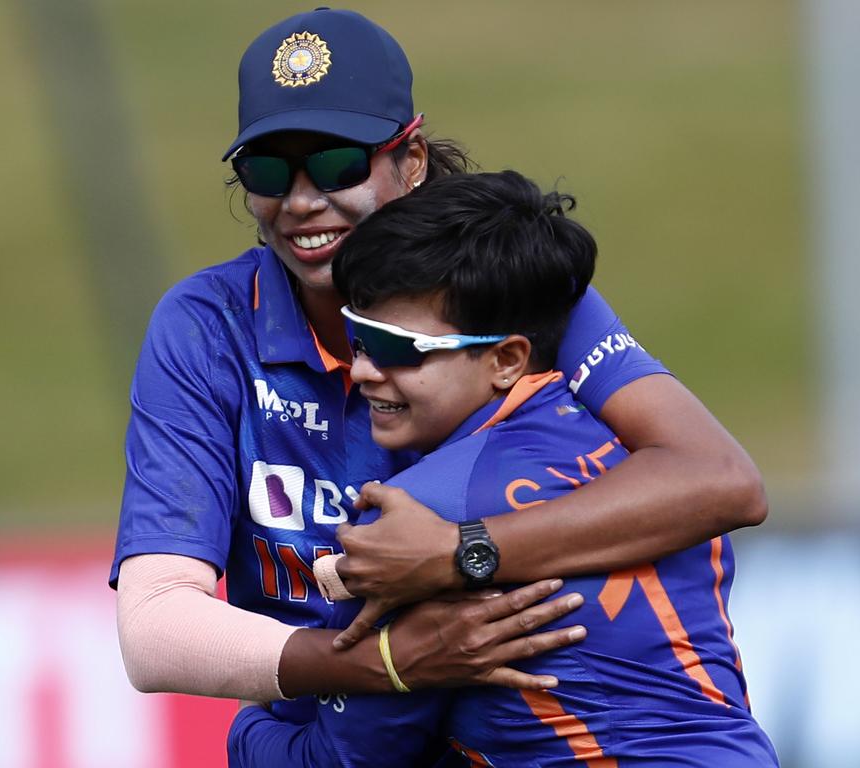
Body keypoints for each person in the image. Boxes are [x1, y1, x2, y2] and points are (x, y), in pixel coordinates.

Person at [111, 7, 766, 709]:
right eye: (267, 170)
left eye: (338, 163)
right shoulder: (206, 325)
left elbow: (720, 481)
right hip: (337, 730)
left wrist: (464, 552)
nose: (302, 201)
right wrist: (391, 662)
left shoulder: (504, 282)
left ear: (412, 160)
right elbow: (153, 629)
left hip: (524, 724)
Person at [229, 170, 779, 767]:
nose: (361, 372)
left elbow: (341, 763)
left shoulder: (411, 523)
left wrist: (250, 727)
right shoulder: (650, 456)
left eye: (394, 349)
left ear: (506, 359)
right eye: (358, 339)